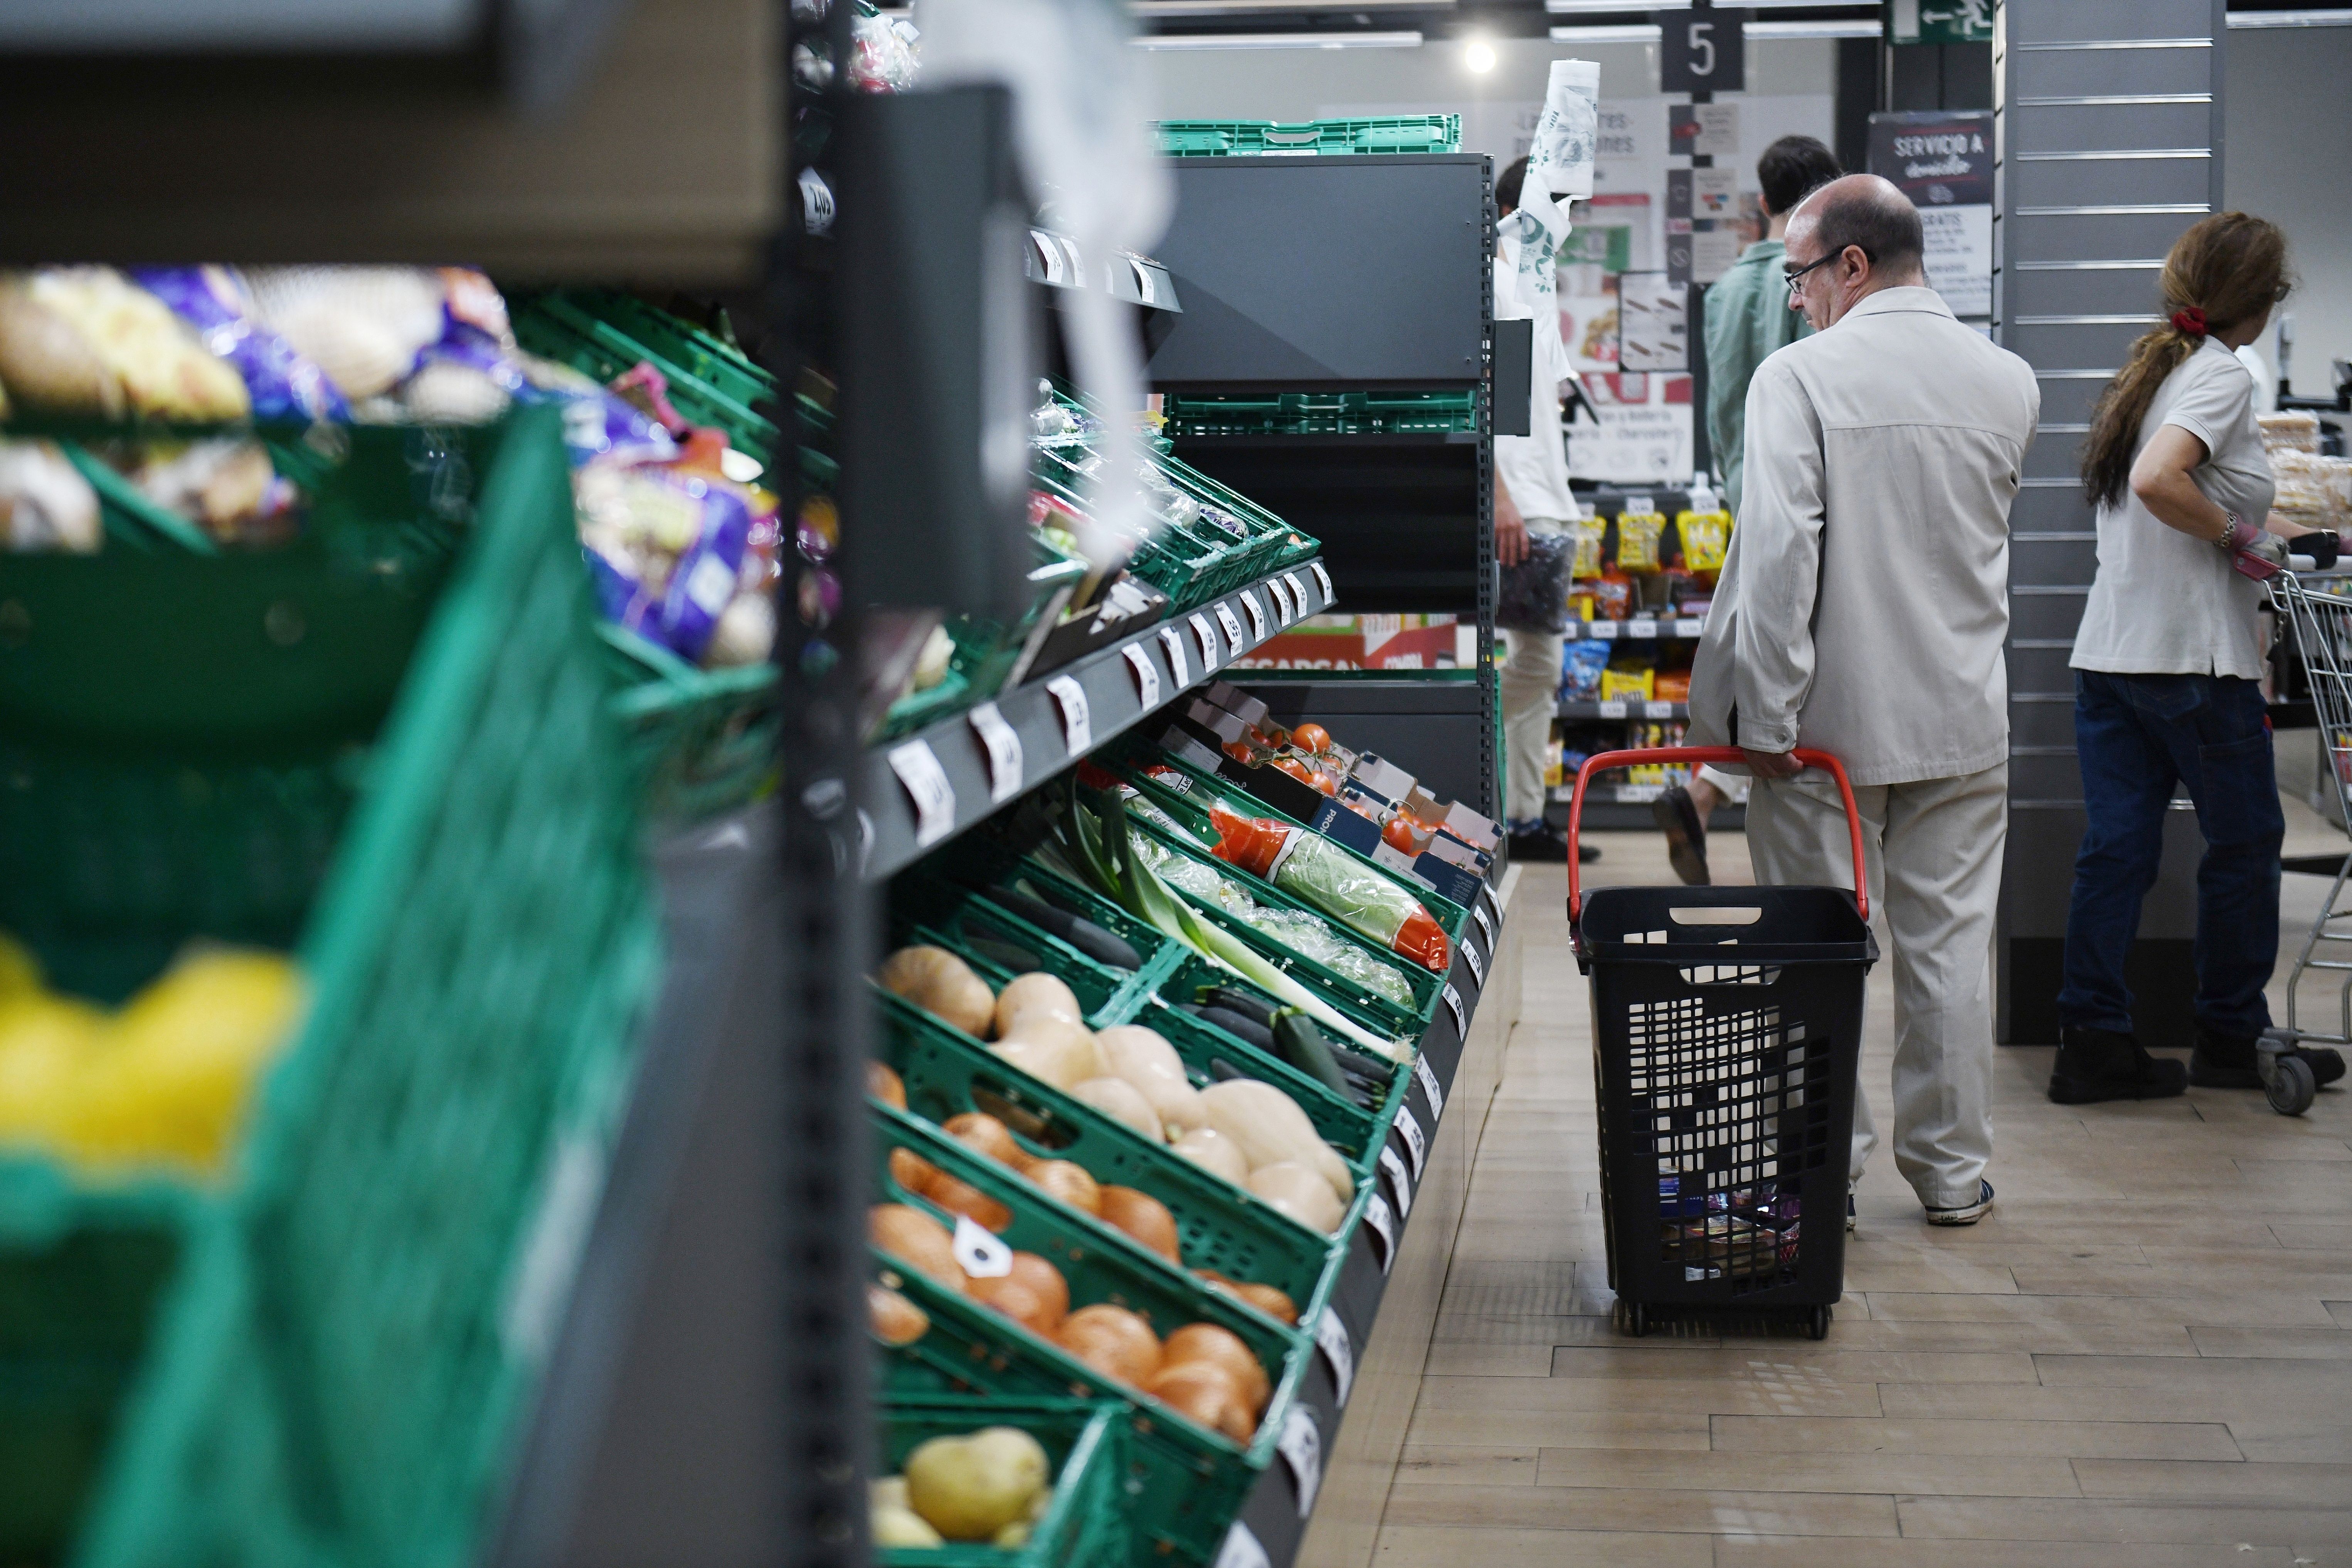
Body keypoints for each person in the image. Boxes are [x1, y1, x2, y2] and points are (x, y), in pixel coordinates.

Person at [1685, 175, 2041, 1226]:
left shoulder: (1796, 379)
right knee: (1947, 956)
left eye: (1797, 276)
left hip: (1821, 736)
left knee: (1811, 952)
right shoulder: (2006, 378)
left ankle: (1815, 1168)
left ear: (1849, 265)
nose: (1791, 298)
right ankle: (1947, 1173)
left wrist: (1769, 720)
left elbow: (1781, 560)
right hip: (1961, 720)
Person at [2051, 212, 2346, 1103]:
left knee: (2117, 852)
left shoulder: (2153, 372)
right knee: (2248, 843)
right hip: (2194, 663)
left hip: (2111, 658)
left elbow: (2194, 497)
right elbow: (2160, 485)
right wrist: (2239, 539)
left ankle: (2093, 1038)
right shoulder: (2221, 374)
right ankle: (2228, 1033)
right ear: (2259, 305)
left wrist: (2300, 540)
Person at [1654, 135, 1843, 886]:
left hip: (1742, 495)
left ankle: (1702, 795)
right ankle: (1729, 803)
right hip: (1810, 501)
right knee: (1798, 681)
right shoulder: (1817, 282)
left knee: (1754, 656)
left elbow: (1721, 408)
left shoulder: (1727, 287)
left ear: (1762, 202)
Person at [1492, 154, 1596, 864]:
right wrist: (1499, 494)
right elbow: (1482, 395)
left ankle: (1523, 817)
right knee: (1531, 663)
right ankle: (1500, 807)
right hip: (1521, 505)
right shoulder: (1497, 282)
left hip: (1544, 500)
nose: (1570, 227)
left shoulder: (1530, 283)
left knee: (1535, 665)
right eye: (1564, 211)